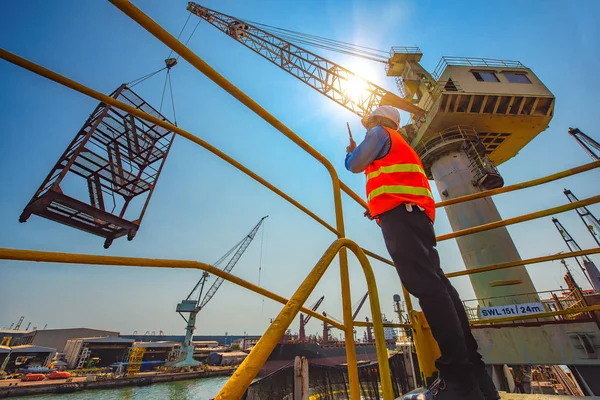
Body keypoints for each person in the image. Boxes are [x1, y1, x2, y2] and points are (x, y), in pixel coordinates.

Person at [345, 106, 499, 400]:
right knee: (439, 286)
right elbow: (396, 182)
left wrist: (351, 152)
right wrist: (377, 207)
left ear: (378, 121)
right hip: (416, 217)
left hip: (400, 218)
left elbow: (354, 164)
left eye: (368, 124)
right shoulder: (402, 147)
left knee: (428, 288)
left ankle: (457, 380)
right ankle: (477, 377)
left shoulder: (379, 134)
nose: (366, 129)